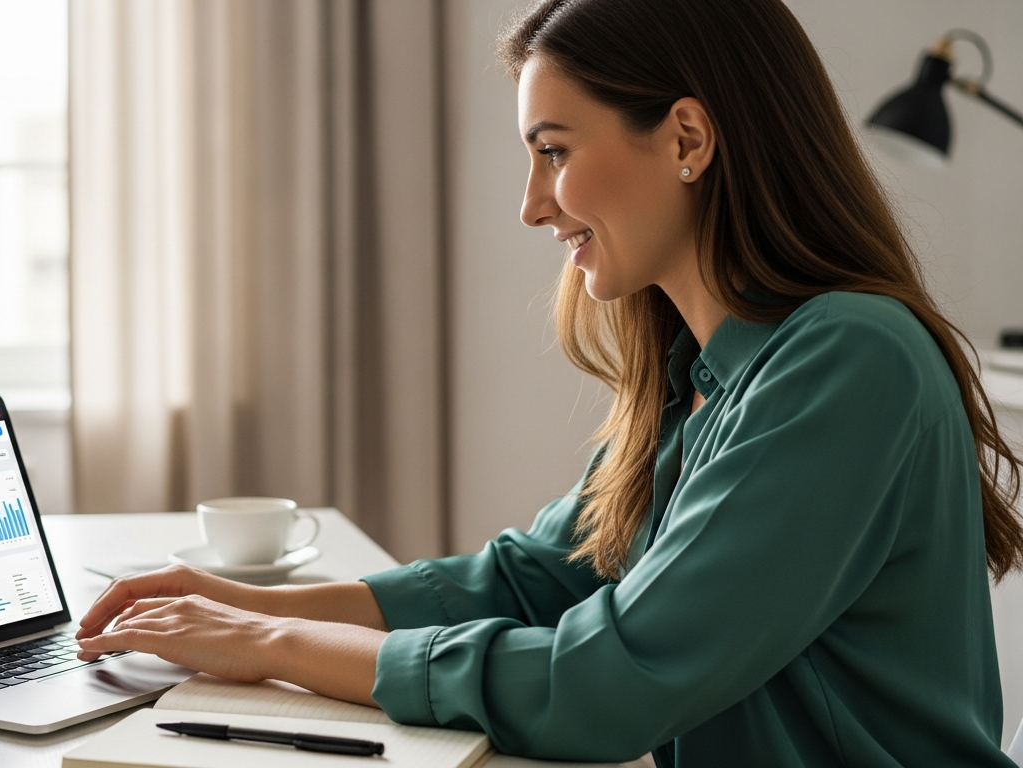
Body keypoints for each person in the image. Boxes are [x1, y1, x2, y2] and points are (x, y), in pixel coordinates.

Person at [74, 0, 1023, 764]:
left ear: (688, 138)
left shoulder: (849, 360)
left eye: (554, 151)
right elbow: (530, 581)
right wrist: (239, 605)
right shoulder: (699, 374)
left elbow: (603, 686)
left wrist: (272, 650)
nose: (533, 207)